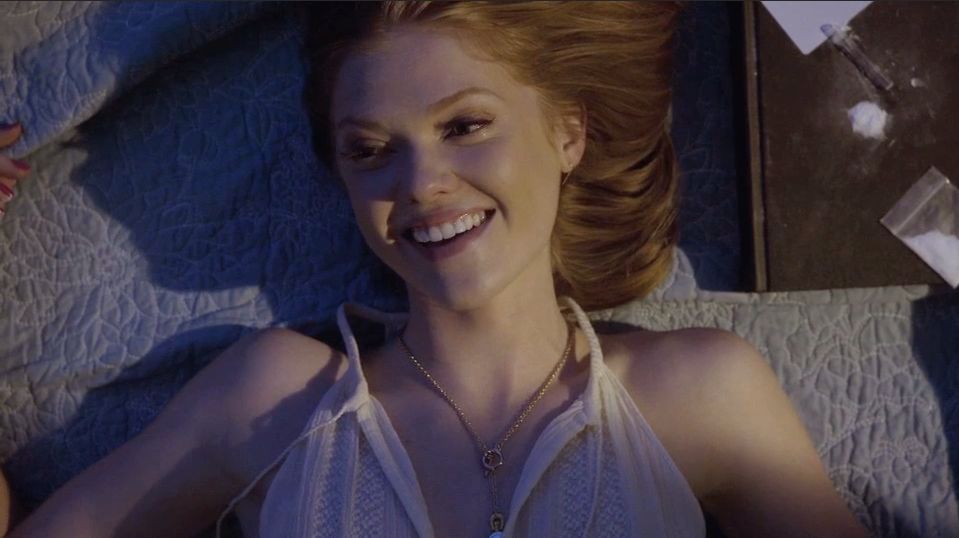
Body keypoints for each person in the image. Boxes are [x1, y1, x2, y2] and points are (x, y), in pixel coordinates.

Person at [3, 2, 872, 537]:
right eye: (370, 150)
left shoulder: (700, 393)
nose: (420, 184)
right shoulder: (272, 400)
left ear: (567, 133)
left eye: (465, 127)